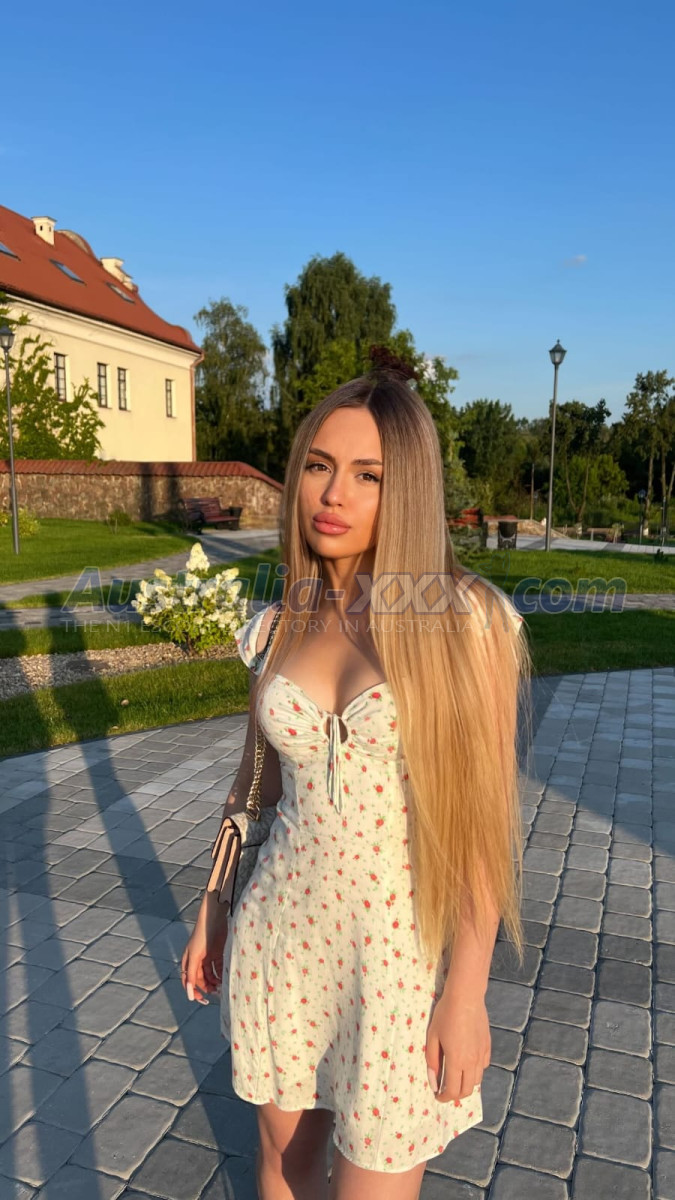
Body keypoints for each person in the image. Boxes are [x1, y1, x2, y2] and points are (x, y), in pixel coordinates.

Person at [182, 347, 530, 1200]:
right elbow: (252, 786)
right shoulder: (278, 626)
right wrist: (215, 903)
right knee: (283, 1168)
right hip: (281, 941)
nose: (332, 494)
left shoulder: (466, 623)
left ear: (405, 489)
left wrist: (466, 996)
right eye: (318, 466)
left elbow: (482, 828)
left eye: (366, 475)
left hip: (398, 965)